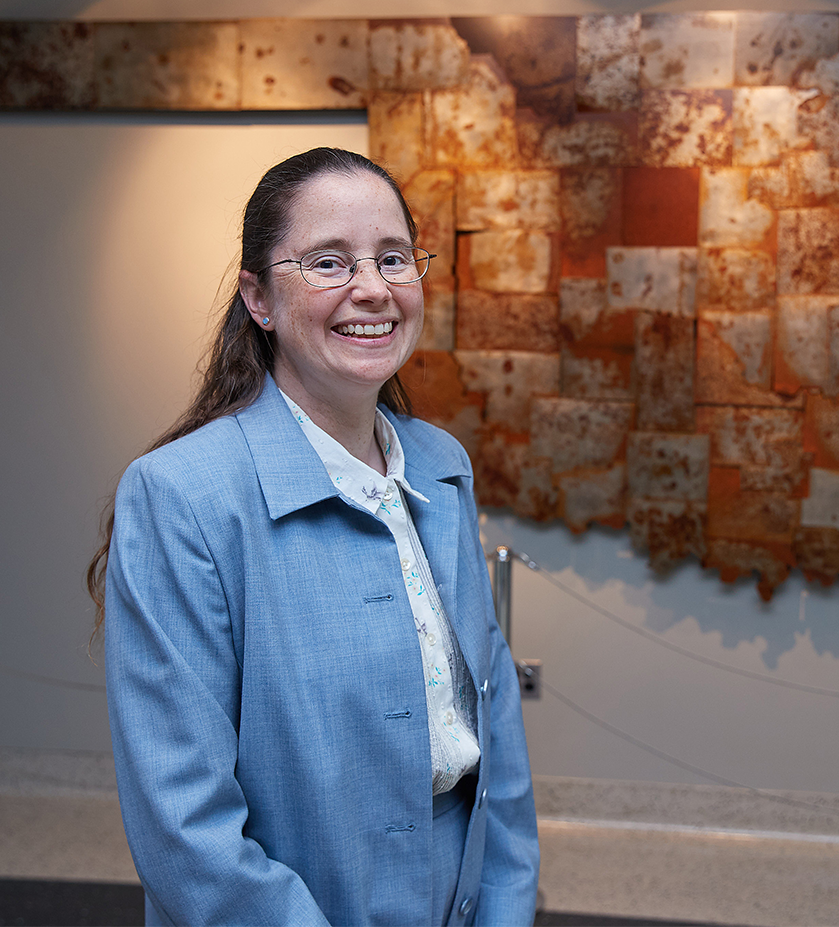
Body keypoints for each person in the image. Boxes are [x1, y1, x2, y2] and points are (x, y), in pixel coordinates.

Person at [87, 147, 539, 927]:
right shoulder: (181, 497)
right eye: (328, 262)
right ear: (258, 298)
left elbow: (493, 735)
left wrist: (504, 909)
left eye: (393, 258)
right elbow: (183, 827)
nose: (372, 288)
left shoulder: (440, 466)